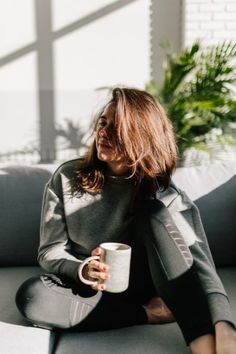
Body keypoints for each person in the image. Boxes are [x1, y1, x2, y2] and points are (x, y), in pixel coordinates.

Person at [16, 87, 236, 353]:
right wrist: (82, 269)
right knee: (33, 296)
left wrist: (224, 325)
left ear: (142, 136)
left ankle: (205, 344)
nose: (102, 133)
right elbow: (50, 251)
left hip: (151, 285)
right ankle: (148, 314)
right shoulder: (66, 177)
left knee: (153, 211)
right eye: (103, 122)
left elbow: (199, 264)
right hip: (93, 292)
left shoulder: (162, 192)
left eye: (116, 127)